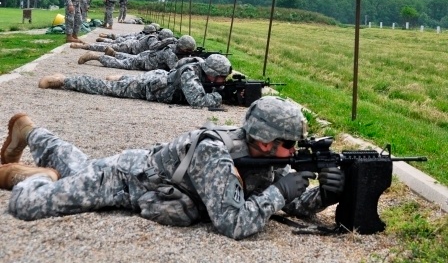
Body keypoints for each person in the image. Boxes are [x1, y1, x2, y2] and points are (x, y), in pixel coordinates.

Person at [0, 96, 344, 240]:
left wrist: (324, 195)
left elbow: (288, 201)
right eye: (289, 144)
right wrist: (279, 192)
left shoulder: (265, 156)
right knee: (27, 205)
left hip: (142, 181)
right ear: (266, 139)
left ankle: (30, 132)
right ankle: (40, 175)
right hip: (122, 179)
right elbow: (234, 223)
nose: (294, 152)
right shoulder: (215, 153)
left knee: (76, 165)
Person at [37, 54, 232, 108]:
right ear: (211, 72)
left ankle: (121, 77)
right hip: (148, 88)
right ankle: (64, 80)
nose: (222, 81)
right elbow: (197, 101)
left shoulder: (201, 69)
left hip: (158, 78)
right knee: (107, 88)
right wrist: (219, 97)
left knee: (123, 81)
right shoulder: (191, 71)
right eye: (221, 77)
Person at [77, 35, 196, 72]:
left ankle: (113, 53)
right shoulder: (170, 53)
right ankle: (95, 56)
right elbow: (175, 69)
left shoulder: (172, 47)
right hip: (143, 62)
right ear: (183, 48)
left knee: (126, 58)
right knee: (120, 64)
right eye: (188, 51)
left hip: (145, 56)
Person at [69, 28, 174, 55]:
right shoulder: (153, 39)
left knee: (108, 45)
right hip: (129, 47)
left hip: (130, 46)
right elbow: (154, 47)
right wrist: (169, 41)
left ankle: (86, 45)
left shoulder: (153, 36)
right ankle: (82, 46)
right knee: (105, 47)